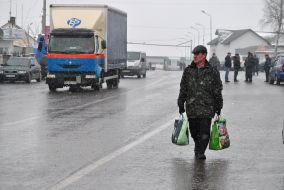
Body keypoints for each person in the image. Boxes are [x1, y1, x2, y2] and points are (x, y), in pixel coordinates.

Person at [177, 45, 223, 160]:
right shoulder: (188, 71)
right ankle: (198, 147)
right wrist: (180, 102)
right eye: (194, 54)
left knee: (204, 132)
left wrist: (218, 105)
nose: (195, 56)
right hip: (192, 107)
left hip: (207, 108)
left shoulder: (212, 71)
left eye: (197, 54)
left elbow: (218, 89)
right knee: (194, 131)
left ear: (204, 55)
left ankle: (200, 151)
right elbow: (183, 88)